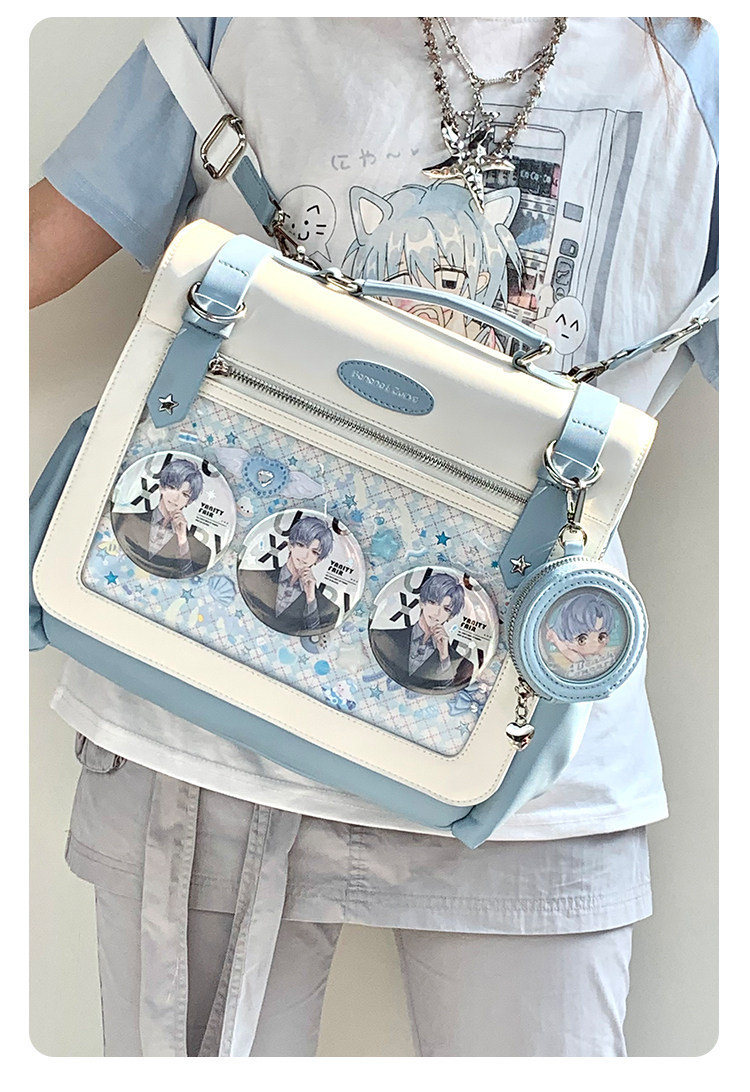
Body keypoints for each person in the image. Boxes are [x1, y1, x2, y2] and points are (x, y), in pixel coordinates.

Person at [29, 17, 718, 1057]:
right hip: (201, 720)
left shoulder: (708, 73)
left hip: (522, 758)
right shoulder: (240, 21)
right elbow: (44, 241)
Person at [369, 571, 475, 692]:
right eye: (433, 602)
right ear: (422, 602)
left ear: (450, 617)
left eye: (446, 609)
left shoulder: (463, 666)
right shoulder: (383, 636)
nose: (437, 612)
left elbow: (447, 686)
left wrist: (444, 656)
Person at [238, 513, 340, 635]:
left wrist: (311, 599)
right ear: (290, 545)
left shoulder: (328, 608)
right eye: (301, 545)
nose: (305, 555)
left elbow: (314, 634)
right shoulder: (253, 577)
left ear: (319, 560)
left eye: (314, 552)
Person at [112, 456, 212, 579]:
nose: (176, 497)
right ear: (161, 487)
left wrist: (182, 541)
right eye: (172, 488)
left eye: (185, 494)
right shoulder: (126, 521)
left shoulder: (202, 553)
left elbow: (187, 577)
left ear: (190, 502)